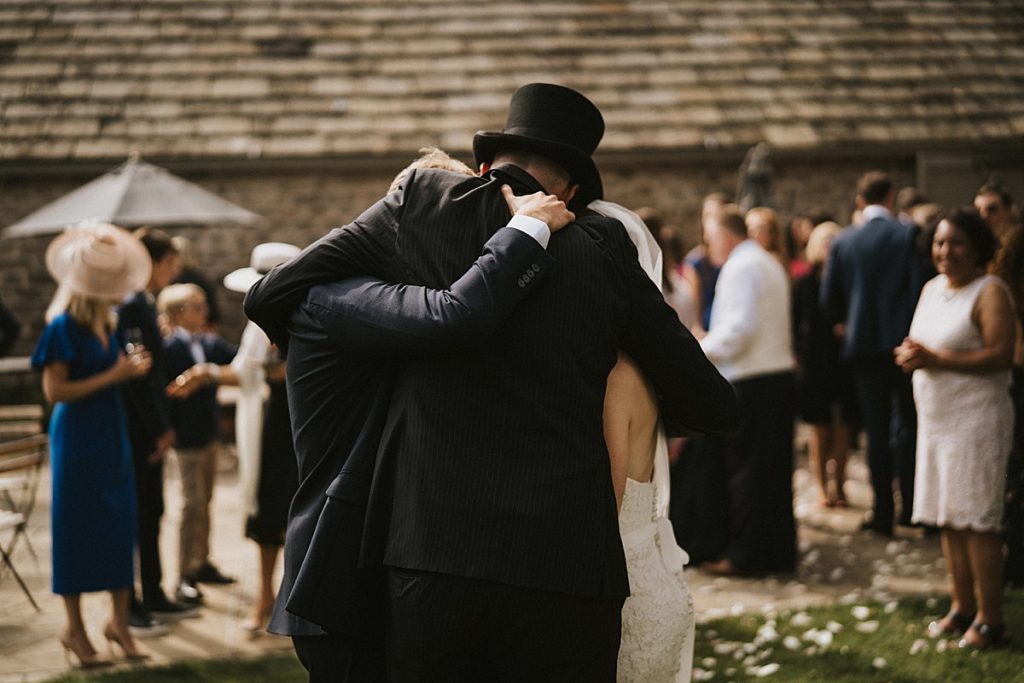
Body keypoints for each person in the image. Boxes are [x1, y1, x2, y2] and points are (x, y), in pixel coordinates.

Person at [244, 83, 738, 681]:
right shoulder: (603, 246)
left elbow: (274, 290)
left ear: (483, 168)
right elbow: (712, 404)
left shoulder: (420, 202)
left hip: (430, 559)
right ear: (572, 193)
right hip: (568, 569)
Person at [32, 222, 155, 668]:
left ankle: (118, 623)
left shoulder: (112, 322)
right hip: (78, 434)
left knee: (120, 520)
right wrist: (115, 375)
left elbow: (112, 376)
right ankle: (74, 628)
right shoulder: (63, 326)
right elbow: (55, 392)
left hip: (110, 430)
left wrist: (129, 372)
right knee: (77, 525)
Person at [894, 207, 1016, 649]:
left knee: (977, 520)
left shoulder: (991, 291)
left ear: (978, 247)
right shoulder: (930, 289)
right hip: (937, 420)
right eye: (940, 242)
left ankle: (990, 619)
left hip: (977, 420)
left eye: (957, 243)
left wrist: (936, 360)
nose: (945, 251)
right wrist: (911, 355)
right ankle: (961, 606)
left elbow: (1002, 355)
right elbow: (926, 343)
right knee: (948, 517)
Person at [693, 206, 797, 576]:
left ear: (723, 234)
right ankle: (776, 552)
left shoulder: (740, 266)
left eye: (709, 237)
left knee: (747, 475)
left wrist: (696, 350)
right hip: (774, 377)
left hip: (751, 380)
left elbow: (738, 330)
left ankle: (746, 556)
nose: (708, 247)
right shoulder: (766, 260)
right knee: (771, 473)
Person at [822, 171, 925, 536]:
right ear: (891, 196)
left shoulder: (845, 241)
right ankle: (912, 509)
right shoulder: (907, 233)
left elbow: (828, 300)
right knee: (909, 427)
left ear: (860, 201)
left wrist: (847, 323)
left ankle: (882, 513)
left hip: (863, 348)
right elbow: (918, 291)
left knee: (876, 432)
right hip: (904, 346)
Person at [116, 227, 195, 627]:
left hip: (146, 421)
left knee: (153, 511)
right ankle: (132, 602)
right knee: (140, 513)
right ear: (158, 263)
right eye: (171, 266)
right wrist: (159, 428)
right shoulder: (133, 304)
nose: (173, 274)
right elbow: (141, 378)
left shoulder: (141, 302)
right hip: (140, 425)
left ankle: (154, 591)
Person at [222, 242, 302, 632]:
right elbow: (251, 369)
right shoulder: (259, 322)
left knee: (295, 511)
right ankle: (265, 598)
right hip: (271, 421)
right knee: (269, 511)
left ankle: (289, 599)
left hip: (295, 422)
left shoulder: (305, 313)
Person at [158, 284, 238, 603]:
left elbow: (237, 357)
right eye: (196, 306)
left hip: (208, 435)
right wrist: (169, 429)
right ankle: (183, 575)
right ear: (178, 313)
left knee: (205, 501)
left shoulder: (207, 342)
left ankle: (201, 561)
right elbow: (163, 395)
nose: (204, 312)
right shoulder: (169, 348)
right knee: (190, 504)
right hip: (186, 439)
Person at [792, 222, 856, 507]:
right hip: (816, 361)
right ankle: (821, 487)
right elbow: (795, 322)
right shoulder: (805, 283)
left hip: (843, 360)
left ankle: (840, 485)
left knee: (844, 425)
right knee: (819, 427)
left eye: (834, 241)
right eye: (824, 241)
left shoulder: (848, 280)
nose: (829, 246)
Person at [745, 206, 787, 271]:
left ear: (772, 234)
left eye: (759, 229)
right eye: (748, 227)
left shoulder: (773, 261)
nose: (751, 234)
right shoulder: (746, 256)